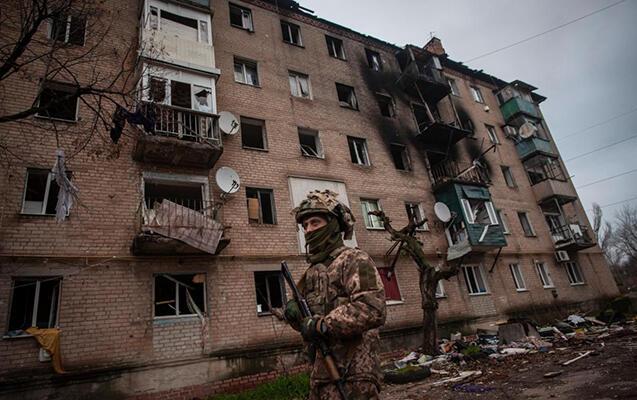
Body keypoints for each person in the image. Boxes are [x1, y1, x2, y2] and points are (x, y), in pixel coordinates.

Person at [285, 189, 386, 400]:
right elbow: (308, 324)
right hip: (321, 374)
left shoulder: (354, 259)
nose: (308, 230)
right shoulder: (312, 272)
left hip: (355, 374)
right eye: (305, 225)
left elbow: (372, 308)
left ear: (332, 225)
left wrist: (323, 325)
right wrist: (294, 315)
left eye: (315, 223)